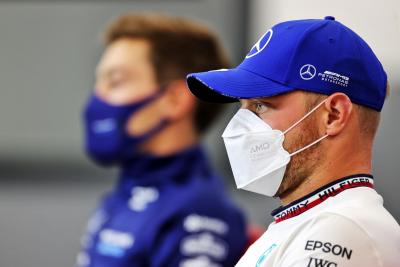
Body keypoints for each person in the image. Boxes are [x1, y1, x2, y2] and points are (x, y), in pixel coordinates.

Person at [186, 16, 400, 266]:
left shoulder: (342, 231)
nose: (238, 126)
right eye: (242, 107)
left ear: (334, 115)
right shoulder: (305, 223)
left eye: (260, 105)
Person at [76, 13, 248, 267]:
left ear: (175, 100)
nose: (97, 99)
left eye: (115, 81)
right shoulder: (125, 193)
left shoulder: (198, 212)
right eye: (97, 83)